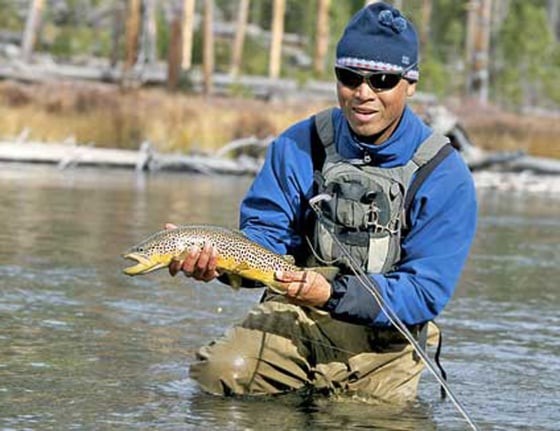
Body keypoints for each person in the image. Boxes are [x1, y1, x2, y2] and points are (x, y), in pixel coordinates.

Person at [168, 2, 477, 402]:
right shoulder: (300, 144)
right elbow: (266, 239)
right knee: (217, 375)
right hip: (293, 317)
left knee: (359, 419)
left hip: (384, 345)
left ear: (410, 83)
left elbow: (423, 292)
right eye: (350, 77)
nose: (363, 94)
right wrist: (221, 263)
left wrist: (329, 293)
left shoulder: (443, 175)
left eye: (382, 80)